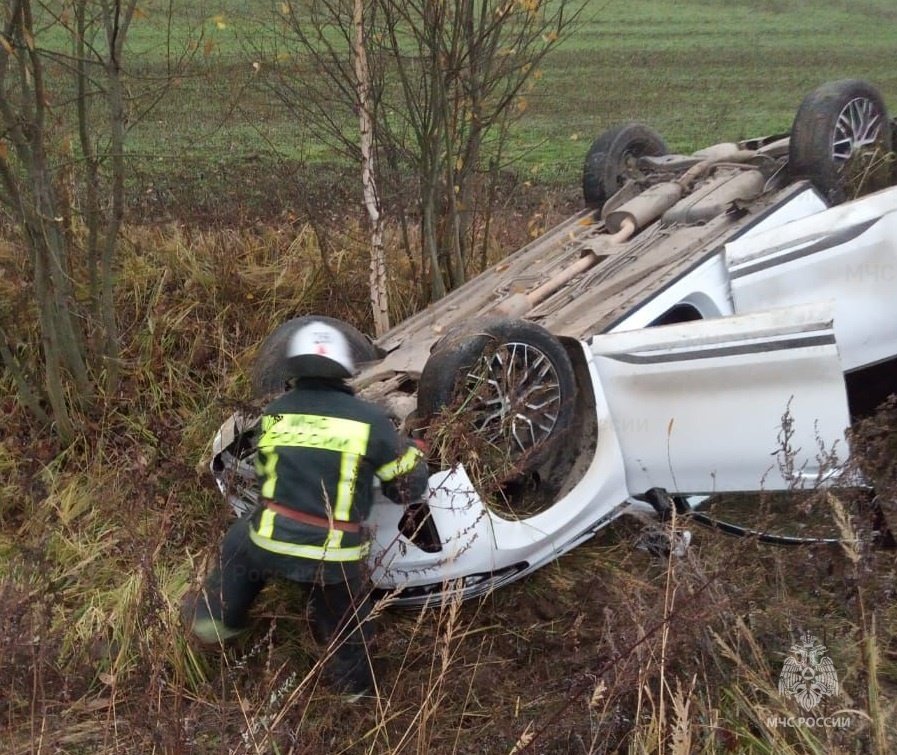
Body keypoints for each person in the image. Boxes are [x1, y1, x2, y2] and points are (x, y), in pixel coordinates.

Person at [187, 320, 428, 700]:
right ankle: (356, 695)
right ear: (347, 368)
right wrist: (413, 451)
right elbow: (407, 489)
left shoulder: (275, 415)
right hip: (332, 558)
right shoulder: (369, 421)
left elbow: (266, 474)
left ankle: (213, 622)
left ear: (292, 369)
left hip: (269, 542)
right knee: (347, 626)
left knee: (237, 544)